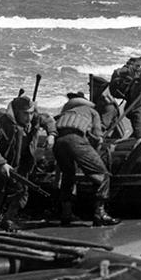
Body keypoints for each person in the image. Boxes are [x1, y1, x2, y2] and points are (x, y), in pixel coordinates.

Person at [0, 95, 56, 231]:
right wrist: (1, 164)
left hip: (21, 164)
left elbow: (48, 120)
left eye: (31, 113)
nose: (29, 117)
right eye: (25, 113)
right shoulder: (3, 123)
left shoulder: (35, 118)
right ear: (16, 112)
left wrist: (51, 134)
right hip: (0, 164)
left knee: (22, 193)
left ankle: (8, 220)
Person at [53, 91, 120, 226]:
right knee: (103, 175)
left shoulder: (66, 113)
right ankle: (100, 214)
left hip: (58, 142)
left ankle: (66, 214)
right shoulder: (92, 112)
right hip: (76, 140)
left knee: (68, 175)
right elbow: (98, 137)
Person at [88, 75, 125, 139]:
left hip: (113, 137)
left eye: (91, 88)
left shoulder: (108, 105)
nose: (89, 90)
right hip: (105, 134)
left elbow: (103, 125)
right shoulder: (98, 101)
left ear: (98, 88)